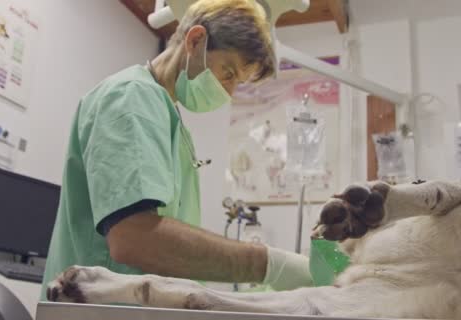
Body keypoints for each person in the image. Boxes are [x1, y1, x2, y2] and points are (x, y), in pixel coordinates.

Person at [41, 0, 312, 299]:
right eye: (229, 72)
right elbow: (133, 238)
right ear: (195, 41)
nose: (229, 92)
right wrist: (269, 264)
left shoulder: (168, 117)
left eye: (239, 82)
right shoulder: (131, 98)